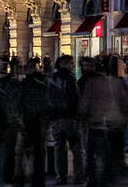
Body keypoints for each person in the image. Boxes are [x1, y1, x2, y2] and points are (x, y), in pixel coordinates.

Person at [79, 56, 128, 187]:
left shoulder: (92, 82)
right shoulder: (113, 82)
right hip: (110, 123)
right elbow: (122, 101)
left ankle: (93, 179)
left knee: (92, 153)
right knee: (107, 153)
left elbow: (85, 104)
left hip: (95, 123)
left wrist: (83, 116)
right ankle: (109, 177)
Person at [48, 55, 84, 186]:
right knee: (76, 148)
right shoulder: (69, 78)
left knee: (59, 148)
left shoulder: (52, 78)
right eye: (71, 63)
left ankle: (61, 176)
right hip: (70, 117)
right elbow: (75, 97)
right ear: (64, 64)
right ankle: (78, 176)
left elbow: (49, 97)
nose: (73, 65)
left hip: (57, 118)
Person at [17, 58, 50, 187]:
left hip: (24, 121)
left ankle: (20, 179)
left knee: (20, 153)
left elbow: (17, 104)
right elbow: (47, 105)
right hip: (38, 123)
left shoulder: (20, 86)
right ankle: (38, 180)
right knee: (38, 154)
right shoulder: (42, 86)